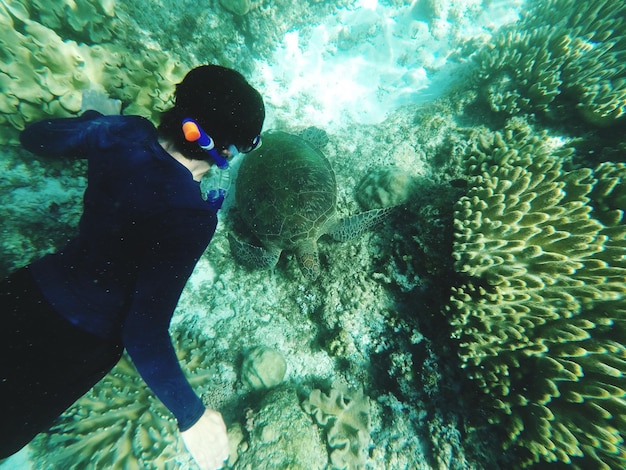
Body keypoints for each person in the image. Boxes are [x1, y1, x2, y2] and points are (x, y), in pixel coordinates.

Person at [0, 64, 265, 469]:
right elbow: (143, 329)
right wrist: (191, 415)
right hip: (72, 350)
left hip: (25, 294)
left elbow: (35, 137)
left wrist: (96, 124)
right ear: (224, 150)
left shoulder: (123, 131)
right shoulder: (192, 217)